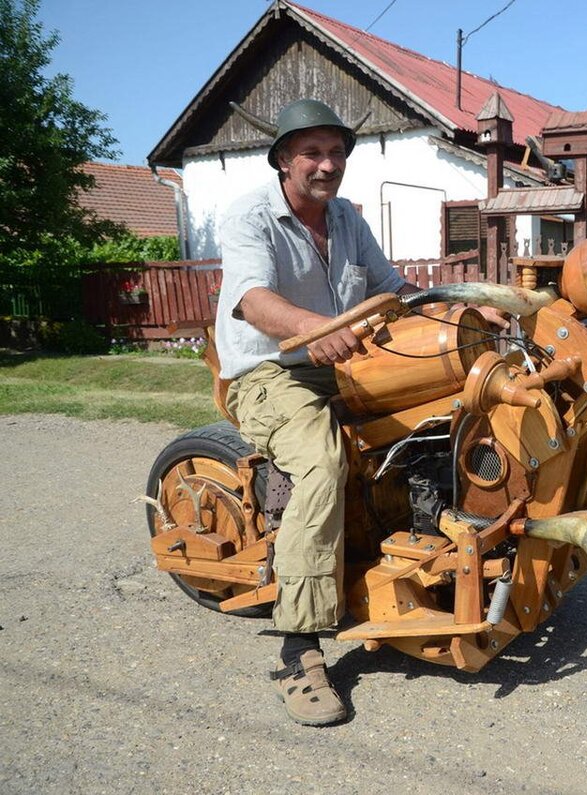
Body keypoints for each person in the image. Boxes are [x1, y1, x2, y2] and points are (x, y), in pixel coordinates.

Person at [215, 99, 416, 726]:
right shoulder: (249, 215)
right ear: (284, 159)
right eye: (312, 152)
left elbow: (391, 288)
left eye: (336, 152)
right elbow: (251, 300)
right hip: (268, 371)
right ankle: (298, 648)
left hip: (344, 363)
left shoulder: (348, 218)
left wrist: (458, 308)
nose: (326, 165)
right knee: (324, 466)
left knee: (439, 418)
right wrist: (312, 329)